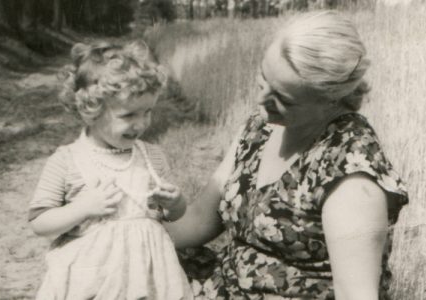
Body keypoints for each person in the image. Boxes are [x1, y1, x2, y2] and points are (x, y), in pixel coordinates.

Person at [165, 11, 409, 300]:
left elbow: (356, 295)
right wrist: (127, 242)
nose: (261, 99)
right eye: (263, 78)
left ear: (330, 98)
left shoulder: (351, 174)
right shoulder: (262, 127)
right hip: (224, 285)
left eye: (283, 98)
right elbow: (199, 219)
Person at [28, 40, 193, 300]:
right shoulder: (67, 160)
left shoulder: (152, 157)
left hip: (148, 277)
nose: (141, 124)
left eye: (147, 112)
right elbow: (40, 224)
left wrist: (175, 203)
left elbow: (173, 216)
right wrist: (81, 208)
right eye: (128, 116)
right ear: (90, 110)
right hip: (91, 281)